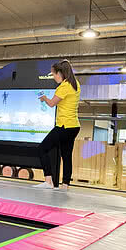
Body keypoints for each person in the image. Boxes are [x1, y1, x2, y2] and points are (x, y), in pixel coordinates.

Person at [34, 60, 81, 190]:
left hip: (64, 126)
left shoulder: (64, 86)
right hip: (74, 126)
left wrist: (44, 98)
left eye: (54, 74)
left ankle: (48, 181)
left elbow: (51, 103)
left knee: (42, 149)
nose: (54, 77)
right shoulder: (76, 84)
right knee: (66, 156)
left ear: (60, 73)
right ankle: (65, 185)